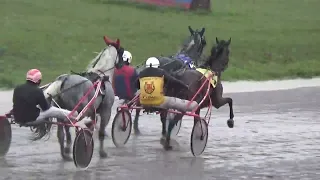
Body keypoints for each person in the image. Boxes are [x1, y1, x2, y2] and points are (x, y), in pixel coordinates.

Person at [12, 69, 77, 125]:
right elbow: (45, 108)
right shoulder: (38, 91)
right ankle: (73, 115)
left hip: (17, 118)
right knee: (51, 110)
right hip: (32, 120)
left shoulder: (17, 88)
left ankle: (72, 115)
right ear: (38, 80)